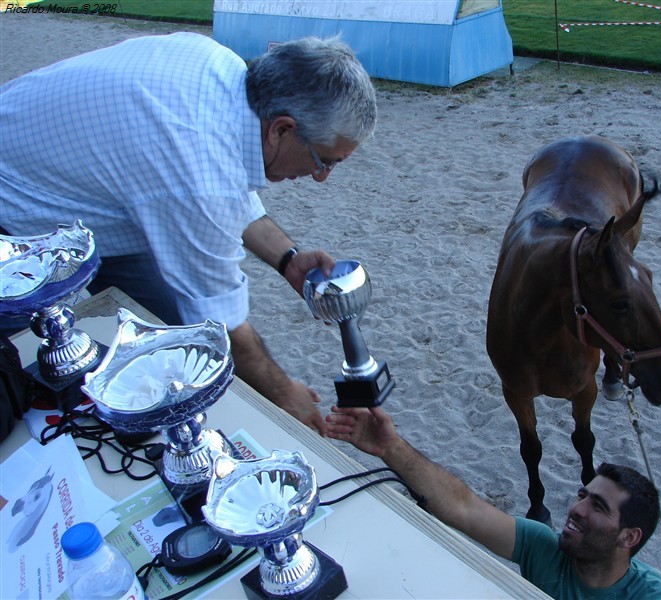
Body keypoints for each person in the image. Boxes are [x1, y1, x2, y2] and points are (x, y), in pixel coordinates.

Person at [0, 33, 378, 435]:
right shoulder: (197, 164)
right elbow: (220, 318)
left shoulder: (224, 71)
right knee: (14, 384)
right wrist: (283, 391)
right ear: (280, 129)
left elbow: (225, 189)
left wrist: (288, 258)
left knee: (179, 335)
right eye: (324, 160)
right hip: (16, 212)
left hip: (98, 196)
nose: (321, 178)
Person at [326, 406, 661, 599]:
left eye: (598, 506)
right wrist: (391, 448)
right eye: (582, 495)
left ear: (629, 537)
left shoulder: (650, 596)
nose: (576, 509)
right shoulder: (545, 548)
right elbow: (463, 507)